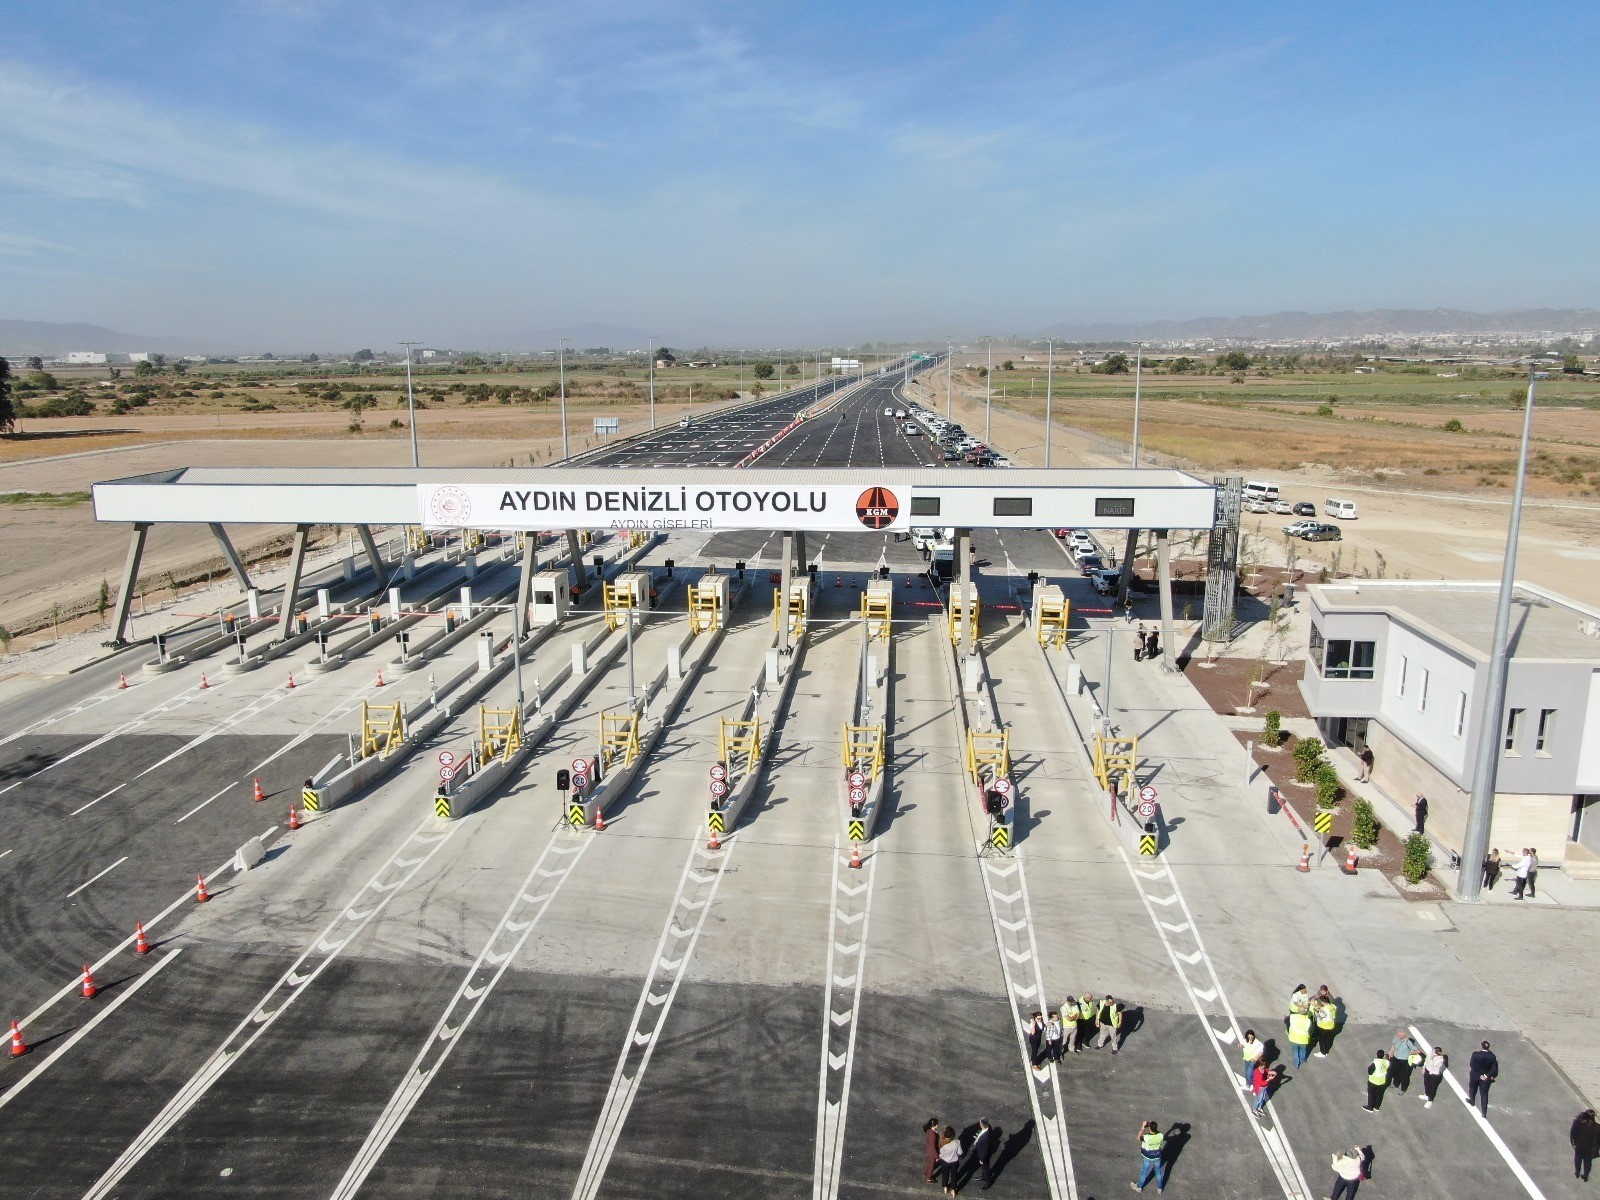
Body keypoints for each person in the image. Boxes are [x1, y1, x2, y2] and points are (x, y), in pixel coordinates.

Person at [1131, 1119, 1166, 1193]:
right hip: (1157, 1156)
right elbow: (1156, 1132)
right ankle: (1160, 1188)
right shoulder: (1160, 1135)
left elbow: (1138, 1137)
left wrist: (1143, 1128)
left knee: (1144, 1172)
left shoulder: (1146, 1137)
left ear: (1149, 1128)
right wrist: (1152, 1125)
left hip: (1147, 1157)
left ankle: (1139, 1187)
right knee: (1158, 1172)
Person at [1468, 1040, 1498, 1116]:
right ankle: (1484, 1112)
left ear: (1482, 1046)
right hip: (1486, 1078)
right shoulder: (1492, 1057)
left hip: (1475, 1075)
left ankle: (1472, 1101)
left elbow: (1472, 1065)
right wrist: (1487, 1075)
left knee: (1472, 1089)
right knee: (1484, 1094)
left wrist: (1479, 1075)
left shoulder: (1475, 1055)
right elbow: (1494, 1069)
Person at [967, 1118, 998, 1191]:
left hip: (983, 1155)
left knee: (985, 1167)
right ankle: (984, 1176)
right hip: (982, 1152)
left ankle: (988, 1181)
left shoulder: (986, 1137)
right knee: (984, 1167)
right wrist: (978, 1137)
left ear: (982, 1125)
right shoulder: (987, 1129)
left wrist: (982, 1159)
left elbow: (985, 1150)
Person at [1572, 1109, 1600, 1182]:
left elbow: (1573, 1132)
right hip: (1590, 1148)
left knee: (1578, 1158)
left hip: (1579, 1145)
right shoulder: (1597, 1127)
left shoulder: (1578, 1123)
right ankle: (1586, 1175)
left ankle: (1577, 1171)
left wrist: (1573, 1141)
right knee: (1588, 1162)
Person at [936, 1126, 962, 1195]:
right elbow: (960, 1152)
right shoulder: (957, 1142)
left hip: (945, 1162)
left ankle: (945, 1187)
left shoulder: (944, 1145)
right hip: (954, 1161)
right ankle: (953, 1189)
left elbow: (941, 1155)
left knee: (945, 1174)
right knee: (954, 1175)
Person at [922, 1118, 941, 1185]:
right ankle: (929, 1178)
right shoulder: (933, 1135)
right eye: (937, 1124)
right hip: (932, 1152)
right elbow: (933, 1147)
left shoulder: (929, 1131)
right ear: (934, 1125)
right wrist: (937, 1156)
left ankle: (925, 1173)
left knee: (928, 1162)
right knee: (931, 1166)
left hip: (928, 1150)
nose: (937, 1125)